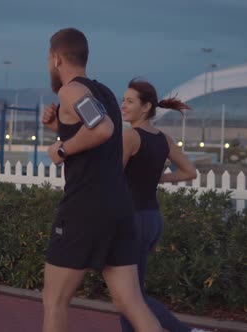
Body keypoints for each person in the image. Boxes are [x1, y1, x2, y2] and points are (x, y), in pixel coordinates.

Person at [41, 28, 163, 332]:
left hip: (84, 207)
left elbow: (103, 129)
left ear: (56, 58)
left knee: (54, 300)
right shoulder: (105, 92)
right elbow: (97, 135)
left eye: (48, 58)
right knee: (131, 303)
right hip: (119, 207)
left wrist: (61, 148)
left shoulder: (70, 91)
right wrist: (61, 128)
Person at [120, 79, 206, 332]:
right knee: (130, 293)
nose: (123, 105)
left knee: (129, 295)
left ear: (145, 107)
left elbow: (111, 179)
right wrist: (161, 177)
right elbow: (190, 172)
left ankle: (187, 331)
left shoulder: (130, 136)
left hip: (131, 221)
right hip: (152, 220)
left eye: (129, 101)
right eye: (123, 100)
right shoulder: (164, 139)